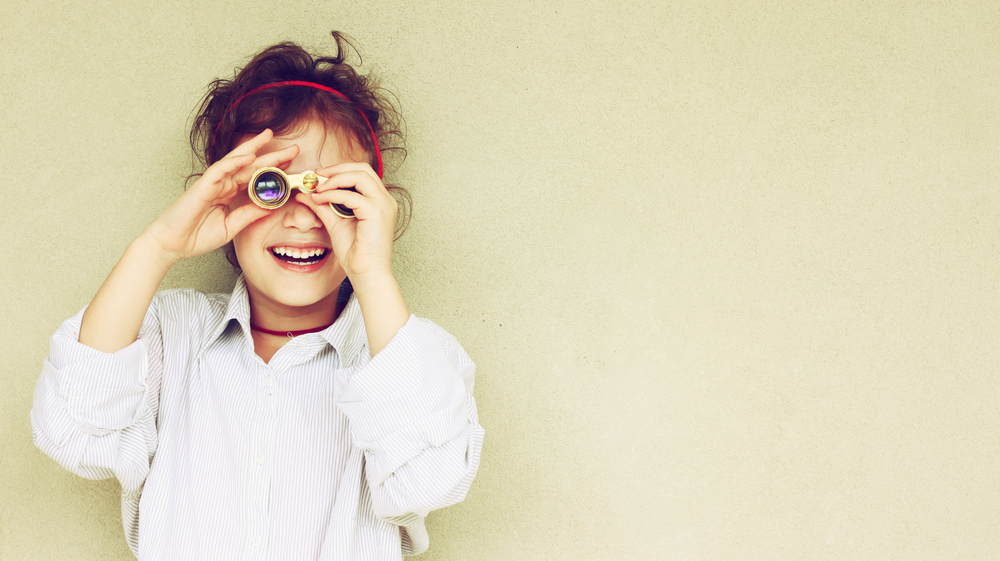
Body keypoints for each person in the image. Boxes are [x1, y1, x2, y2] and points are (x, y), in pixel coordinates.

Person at [30, 32, 484, 561]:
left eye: (334, 193)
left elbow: (429, 480)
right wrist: (157, 247)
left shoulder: (407, 353)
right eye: (272, 187)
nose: (302, 219)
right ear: (224, 198)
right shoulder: (168, 334)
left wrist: (373, 274)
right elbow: (76, 431)